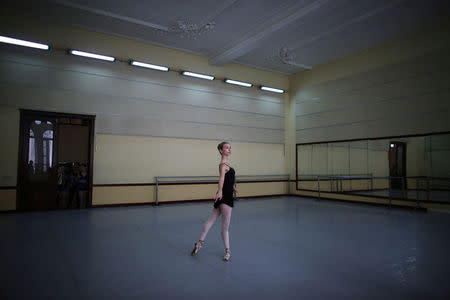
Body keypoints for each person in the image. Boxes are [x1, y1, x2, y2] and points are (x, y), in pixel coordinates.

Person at [191, 141, 237, 261]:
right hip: (225, 197)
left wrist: (232, 187)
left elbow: (227, 179)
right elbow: (221, 179)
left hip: (223, 195)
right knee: (225, 228)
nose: (229, 149)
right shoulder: (223, 165)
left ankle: (199, 243)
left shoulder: (227, 164)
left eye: (230, 148)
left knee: (211, 221)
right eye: (226, 148)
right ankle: (228, 251)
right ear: (221, 151)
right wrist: (221, 192)